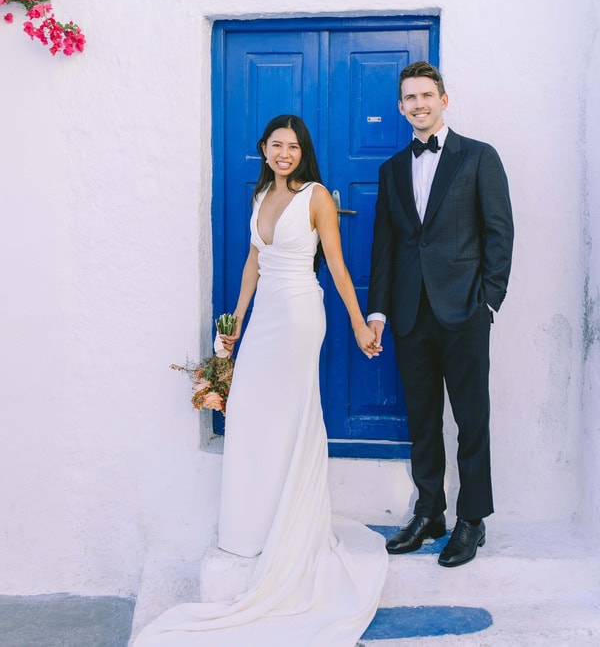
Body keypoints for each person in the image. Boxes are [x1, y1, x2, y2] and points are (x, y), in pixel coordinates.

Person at [134, 114, 388, 646]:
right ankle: (253, 528)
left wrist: (359, 320)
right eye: (277, 145)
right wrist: (235, 322)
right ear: (264, 149)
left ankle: (289, 532)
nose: (285, 153)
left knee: (289, 415)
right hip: (266, 313)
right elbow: (253, 261)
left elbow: (337, 265)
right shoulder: (258, 199)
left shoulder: (316, 196)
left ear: (303, 152)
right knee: (251, 415)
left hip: (298, 314)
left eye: (293, 147)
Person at [367, 61, 513, 568]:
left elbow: (499, 231)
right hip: (409, 315)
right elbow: (384, 248)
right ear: (401, 106)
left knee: (472, 418)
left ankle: (472, 519)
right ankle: (430, 511)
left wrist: (489, 300)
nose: (418, 104)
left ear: (443, 99)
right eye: (409, 97)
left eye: (426, 95)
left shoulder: (478, 157)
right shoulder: (390, 170)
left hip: (464, 310)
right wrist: (379, 312)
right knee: (423, 419)